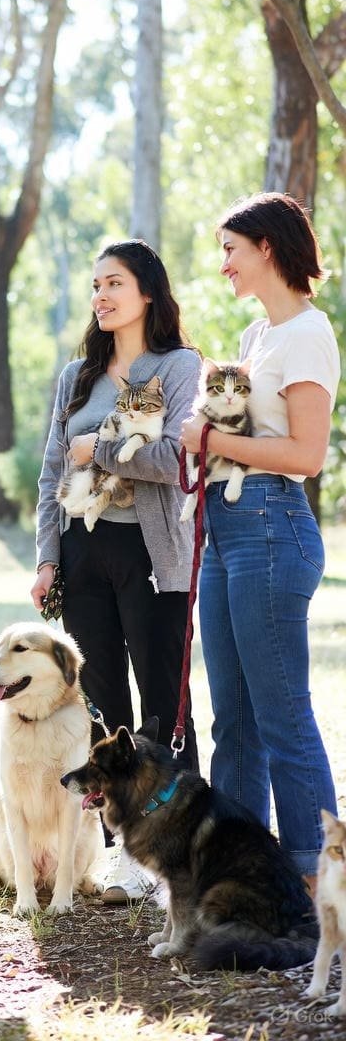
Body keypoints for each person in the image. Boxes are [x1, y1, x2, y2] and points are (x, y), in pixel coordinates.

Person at [32, 239, 201, 903]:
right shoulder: (77, 376)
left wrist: (97, 448)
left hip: (154, 556)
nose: (100, 296)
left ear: (148, 293)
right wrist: (48, 557)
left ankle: (177, 849)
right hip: (83, 551)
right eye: (95, 285)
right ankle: (126, 850)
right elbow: (53, 473)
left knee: (164, 704)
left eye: (115, 284)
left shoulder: (181, 366)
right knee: (105, 713)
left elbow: (174, 460)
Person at [180, 192, 339, 893]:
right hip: (226, 532)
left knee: (282, 717)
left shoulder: (309, 333)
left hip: (274, 531)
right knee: (233, 722)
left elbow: (307, 456)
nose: (224, 267)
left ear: (266, 248)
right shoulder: (254, 338)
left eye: (231, 251)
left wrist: (212, 439)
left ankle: (315, 881)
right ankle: (239, 877)